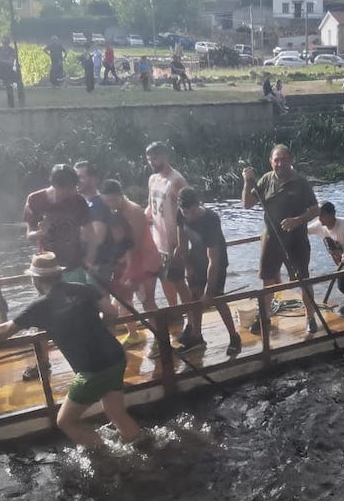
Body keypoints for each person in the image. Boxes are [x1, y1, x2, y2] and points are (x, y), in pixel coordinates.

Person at [0, 252, 145, 448]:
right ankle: (143, 445)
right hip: (115, 356)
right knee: (116, 413)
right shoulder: (83, 289)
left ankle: (106, 455)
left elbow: (5, 330)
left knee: (65, 421)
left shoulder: (41, 306)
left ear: (36, 280)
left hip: (92, 370)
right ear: (59, 274)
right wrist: (100, 331)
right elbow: (111, 311)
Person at [22, 164, 94, 380]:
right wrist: (39, 234)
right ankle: (41, 363)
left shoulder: (78, 201)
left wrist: (90, 259)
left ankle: (87, 360)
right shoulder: (36, 200)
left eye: (74, 188)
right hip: (47, 270)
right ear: (55, 186)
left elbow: (90, 233)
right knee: (44, 316)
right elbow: (29, 235)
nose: (71, 193)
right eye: (68, 189)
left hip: (74, 265)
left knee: (79, 315)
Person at [242, 144, 320, 335]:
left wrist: (297, 220)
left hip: (296, 240)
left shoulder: (301, 183)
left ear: (291, 161)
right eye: (276, 160)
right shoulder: (267, 179)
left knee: (302, 279)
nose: (280, 163)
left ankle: (310, 317)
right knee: (268, 280)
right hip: (272, 239)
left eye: (284, 159)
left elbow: (315, 209)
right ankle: (265, 317)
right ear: (271, 162)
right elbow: (247, 203)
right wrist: (247, 181)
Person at [175, 188, 242, 356]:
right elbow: (182, 245)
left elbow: (213, 259)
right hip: (196, 258)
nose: (189, 215)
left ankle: (234, 337)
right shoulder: (180, 214)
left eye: (193, 211)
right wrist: (187, 269)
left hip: (216, 261)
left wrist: (209, 291)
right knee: (194, 297)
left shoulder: (210, 219)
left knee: (217, 299)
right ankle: (197, 336)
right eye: (185, 212)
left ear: (198, 205)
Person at [100, 179, 161, 347]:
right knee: (123, 300)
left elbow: (137, 243)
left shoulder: (134, 211)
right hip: (126, 260)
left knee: (147, 301)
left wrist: (130, 270)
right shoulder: (113, 212)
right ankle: (133, 334)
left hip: (145, 260)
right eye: (107, 202)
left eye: (113, 200)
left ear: (121, 195)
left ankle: (159, 338)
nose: (111, 205)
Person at [145, 142, 189, 313]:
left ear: (164, 156)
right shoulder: (152, 179)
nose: (151, 162)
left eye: (155, 158)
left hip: (173, 242)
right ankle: (175, 311)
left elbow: (187, 214)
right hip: (158, 242)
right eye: (149, 159)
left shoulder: (176, 181)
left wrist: (181, 244)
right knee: (165, 280)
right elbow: (150, 208)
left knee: (178, 282)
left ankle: (191, 316)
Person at [75, 161, 110, 285]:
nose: (77, 181)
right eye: (75, 178)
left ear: (93, 179)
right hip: (87, 263)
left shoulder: (98, 204)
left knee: (100, 301)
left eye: (81, 177)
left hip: (97, 264)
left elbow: (97, 238)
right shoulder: (83, 203)